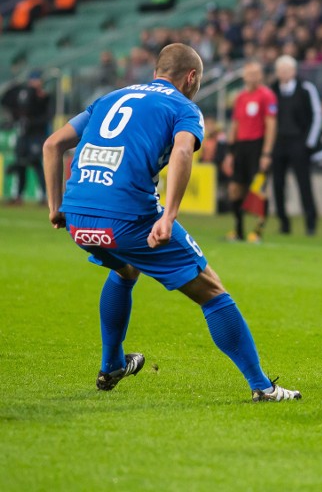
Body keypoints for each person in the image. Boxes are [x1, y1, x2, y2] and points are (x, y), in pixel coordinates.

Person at [41, 43, 300, 402]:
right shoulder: (183, 106)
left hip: (79, 219)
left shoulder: (110, 97)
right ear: (191, 77)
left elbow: (53, 144)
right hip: (128, 217)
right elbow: (181, 151)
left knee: (126, 269)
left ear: (156, 72)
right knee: (212, 291)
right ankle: (263, 387)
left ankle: (112, 363)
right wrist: (169, 215)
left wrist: (56, 206)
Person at [222, 60, 277, 242]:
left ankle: (258, 231)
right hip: (241, 147)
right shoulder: (240, 97)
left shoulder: (267, 96)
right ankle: (238, 230)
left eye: (255, 73)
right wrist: (230, 152)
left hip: (258, 146)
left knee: (258, 190)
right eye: (249, 73)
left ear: (260, 75)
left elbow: (271, 125)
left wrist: (266, 153)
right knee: (235, 189)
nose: (252, 77)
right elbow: (235, 124)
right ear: (244, 76)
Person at [270, 55, 321, 236]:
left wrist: (308, 143)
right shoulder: (272, 90)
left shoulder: (306, 88)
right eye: (280, 70)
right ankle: (283, 222)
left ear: (294, 71)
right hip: (279, 143)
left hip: (299, 142)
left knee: (304, 184)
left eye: (286, 70)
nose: (283, 74)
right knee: (277, 184)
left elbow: (316, 115)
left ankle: (311, 222)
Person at [2, 70, 51, 203]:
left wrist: (31, 120)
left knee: (36, 163)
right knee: (21, 164)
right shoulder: (23, 93)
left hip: (37, 135)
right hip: (24, 134)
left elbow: (46, 115)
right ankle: (18, 196)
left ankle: (45, 196)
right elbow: (7, 101)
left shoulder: (44, 96)